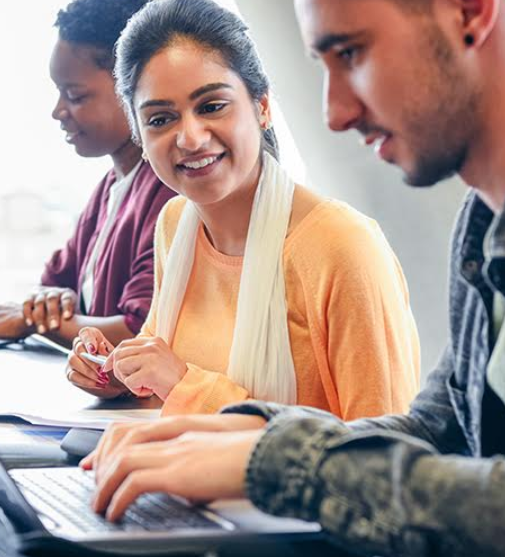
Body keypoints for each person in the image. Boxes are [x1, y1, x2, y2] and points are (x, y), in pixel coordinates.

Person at [85, 0, 505, 554]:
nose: (333, 114)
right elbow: (437, 430)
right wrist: (243, 435)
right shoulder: (478, 229)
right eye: (160, 117)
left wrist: (276, 460)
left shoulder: (340, 242)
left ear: (472, 13)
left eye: (351, 52)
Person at [64, 0, 419, 420]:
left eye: (212, 106)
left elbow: (383, 455)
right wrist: (114, 373)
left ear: (262, 107)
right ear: (139, 135)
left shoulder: (341, 246)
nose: (191, 138)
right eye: (161, 119)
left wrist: (183, 383)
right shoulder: (175, 226)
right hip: (183, 477)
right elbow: (165, 386)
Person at [0, 0, 176, 348]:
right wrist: (44, 308)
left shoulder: (169, 193)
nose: (58, 111)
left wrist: (32, 320)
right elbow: (53, 284)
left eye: (74, 95)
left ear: (132, 86)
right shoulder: (110, 188)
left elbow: (140, 331)